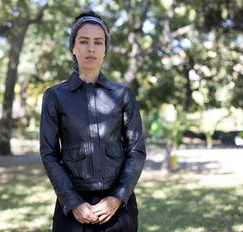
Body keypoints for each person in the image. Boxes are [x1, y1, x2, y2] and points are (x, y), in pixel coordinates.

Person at [39, 10, 146, 232]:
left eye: (98, 42)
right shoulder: (55, 97)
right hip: (72, 205)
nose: (91, 48)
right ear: (73, 47)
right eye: (84, 41)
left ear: (105, 49)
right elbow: (49, 153)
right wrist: (73, 202)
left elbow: (136, 151)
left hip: (118, 206)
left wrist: (117, 197)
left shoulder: (123, 95)